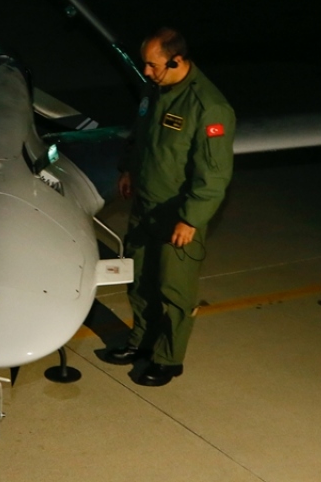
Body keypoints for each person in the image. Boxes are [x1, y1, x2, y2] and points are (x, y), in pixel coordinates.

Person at [101, 27, 235, 386]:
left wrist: (190, 219)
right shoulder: (156, 90)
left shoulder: (208, 107)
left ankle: (168, 359)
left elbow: (214, 176)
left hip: (177, 215)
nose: (146, 72)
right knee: (140, 280)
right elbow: (141, 135)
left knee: (174, 291)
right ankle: (141, 342)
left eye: (152, 65)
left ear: (176, 61)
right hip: (145, 205)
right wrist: (128, 169)